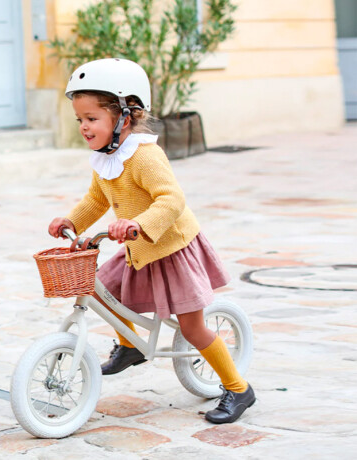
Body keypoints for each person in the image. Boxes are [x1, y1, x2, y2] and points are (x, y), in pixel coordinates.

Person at [48, 58, 255, 424]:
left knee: (192, 327)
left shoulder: (144, 156)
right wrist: (71, 221)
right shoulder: (106, 157)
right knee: (100, 291)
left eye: (91, 119)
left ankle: (238, 388)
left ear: (124, 118)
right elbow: (96, 200)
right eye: (80, 119)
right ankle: (130, 347)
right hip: (138, 249)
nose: (83, 126)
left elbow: (171, 200)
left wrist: (138, 224)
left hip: (171, 249)